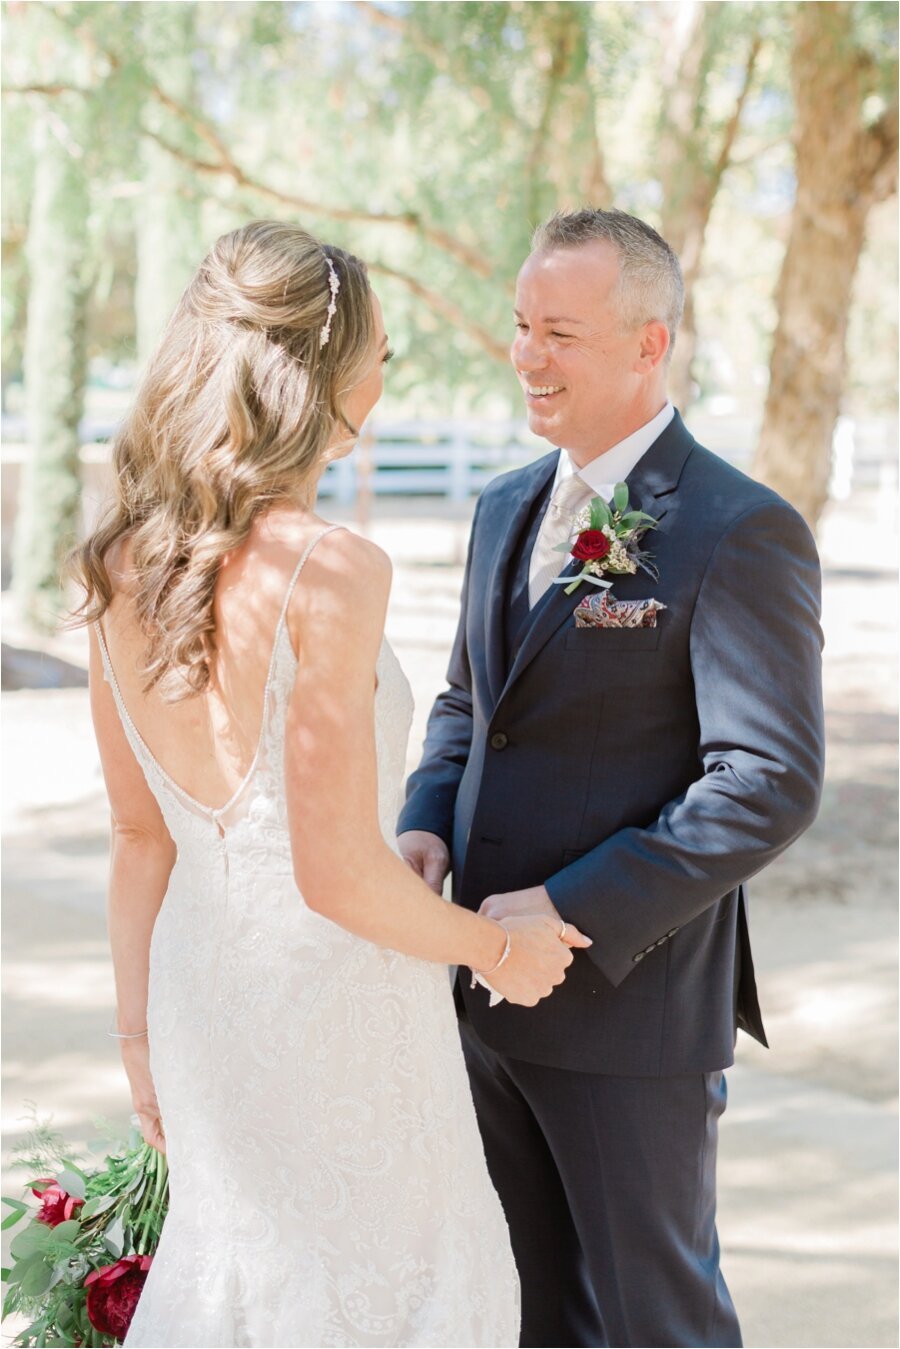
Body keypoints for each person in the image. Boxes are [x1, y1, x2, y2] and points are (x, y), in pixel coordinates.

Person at [72, 220, 592, 1347]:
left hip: (201, 998)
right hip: (337, 1008)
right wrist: (500, 949)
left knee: (253, 1286)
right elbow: (334, 874)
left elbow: (138, 836)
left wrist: (137, 1037)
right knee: (395, 1285)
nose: (388, 372)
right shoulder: (330, 566)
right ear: (323, 370)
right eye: (381, 351)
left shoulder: (121, 560)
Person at [398, 208, 825, 1349]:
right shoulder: (501, 507)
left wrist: (573, 905)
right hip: (484, 991)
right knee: (526, 1315)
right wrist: (424, 822)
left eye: (561, 333)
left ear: (651, 344)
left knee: (658, 1319)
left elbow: (767, 779)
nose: (527, 356)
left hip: (631, 1015)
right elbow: (466, 706)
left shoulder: (740, 528)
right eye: (522, 326)